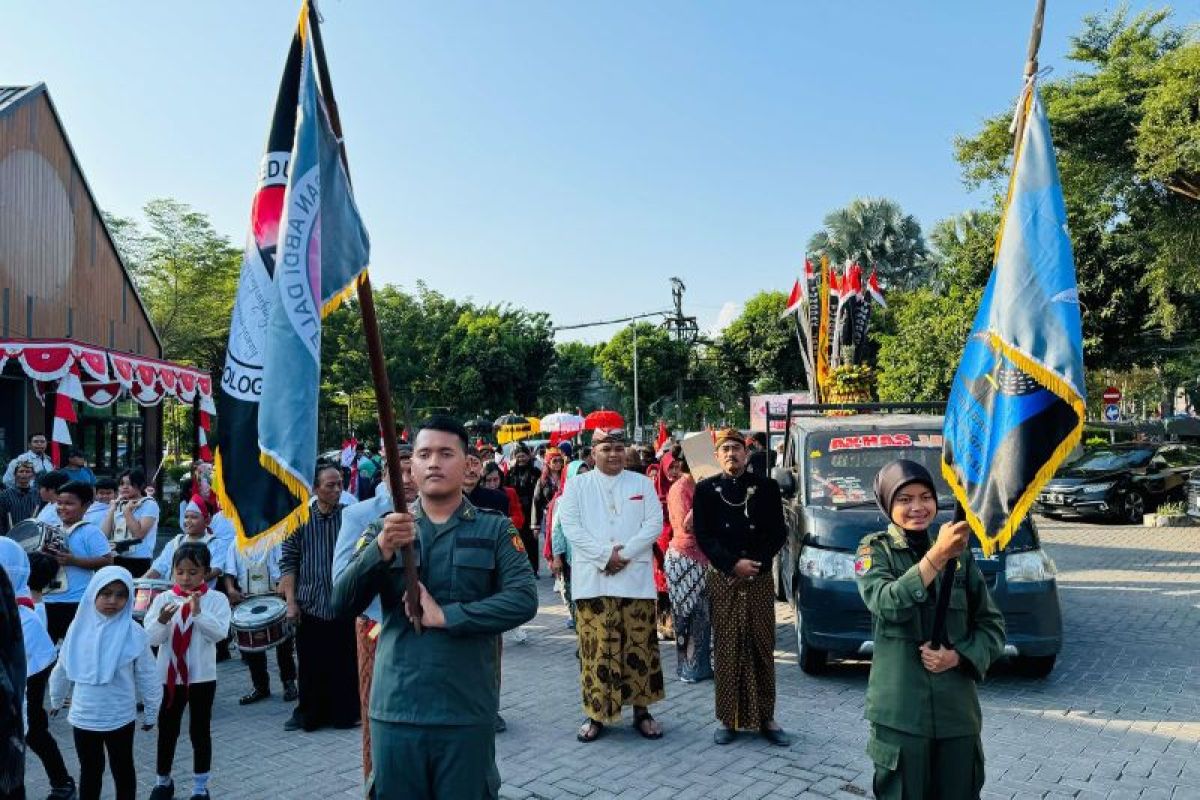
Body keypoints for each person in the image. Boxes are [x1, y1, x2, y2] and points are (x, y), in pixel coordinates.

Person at [332, 415, 538, 799]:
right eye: (424, 454)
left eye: (446, 453)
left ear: (468, 465)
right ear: (410, 466)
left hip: (466, 707)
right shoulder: (384, 529)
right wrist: (380, 552)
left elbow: (524, 599)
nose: (433, 463)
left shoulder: (495, 529)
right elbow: (340, 603)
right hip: (397, 707)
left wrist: (448, 616)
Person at [856, 460, 1005, 799]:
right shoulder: (873, 550)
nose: (917, 507)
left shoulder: (960, 555)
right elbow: (886, 602)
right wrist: (937, 556)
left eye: (925, 496)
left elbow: (991, 627)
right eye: (904, 499)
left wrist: (958, 656)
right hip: (901, 716)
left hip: (957, 715)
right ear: (886, 503)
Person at [557, 428, 666, 743]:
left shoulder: (641, 483)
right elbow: (571, 527)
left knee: (640, 648)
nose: (614, 454)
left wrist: (626, 554)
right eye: (606, 448)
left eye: (619, 448)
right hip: (594, 581)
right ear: (593, 453)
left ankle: (642, 713)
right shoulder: (577, 486)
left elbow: (654, 524)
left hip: (635, 581)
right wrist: (605, 556)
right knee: (596, 651)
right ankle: (595, 715)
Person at [694, 428, 790, 746]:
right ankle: (727, 718)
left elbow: (778, 532)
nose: (731, 454)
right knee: (727, 647)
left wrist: (755, 564)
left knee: (762, 645)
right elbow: (704, 536)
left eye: (736, 448)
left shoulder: (766, 487)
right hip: (723, 578)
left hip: (759, 577)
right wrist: (731, 564)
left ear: (746, 454)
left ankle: (767, 717)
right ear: (717, 456)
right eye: (725, 450)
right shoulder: (707, 490)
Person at [49, 566, 160, 800]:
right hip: (84, 716)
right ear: (93, 594)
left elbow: (148, 675)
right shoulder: (78, 628)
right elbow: (62, 667)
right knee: (90, 771)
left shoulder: (134, 632)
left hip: (120, 716)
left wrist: (152, 711)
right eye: (106, 593)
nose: (113, 600)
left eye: (121, 595)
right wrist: (56, 700)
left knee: (123, 770)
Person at [144, 544, 230, 800]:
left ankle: (200, 787)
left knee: (199, 730)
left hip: (202, 675)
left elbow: (219, 634)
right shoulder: (162, 599)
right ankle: (163, 781)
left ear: (205, 572)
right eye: (179, 572)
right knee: (167, 728)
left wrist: (199, 614)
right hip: (169, 676)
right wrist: (160, 620)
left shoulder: (216, 599)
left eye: (193, 572)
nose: (185, 578)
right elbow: (151, 639)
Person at [279, 465, 358, 733]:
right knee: (311, 664)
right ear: (314, 488)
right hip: (309, 603)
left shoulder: (351, 517)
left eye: (340, 484)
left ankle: (345, 713)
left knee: (344, 663)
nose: (337, 490)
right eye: (330, 485)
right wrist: (291, 602)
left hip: (343, 603)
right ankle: (308, 713)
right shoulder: (298, 519)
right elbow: (288, 563)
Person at [0, 538, 72, 799]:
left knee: (36, 736)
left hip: (19, 706)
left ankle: (62, 782)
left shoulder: (24, 615)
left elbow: (29, 671)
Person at [223, 544, 297, 705]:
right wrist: (230, 589)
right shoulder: (235, 544)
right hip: (248, 599)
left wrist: (283, 586)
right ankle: (261, 687)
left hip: (276, 597)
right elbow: (229, 573)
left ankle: (289, 683)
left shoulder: (274, 540)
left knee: (284, 645)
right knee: (252, 647)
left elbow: (285, 566)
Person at [43, 481, 114, 643]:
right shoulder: (51, 529)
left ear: (86, 505)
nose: (62, 508)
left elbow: (108, 560)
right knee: (49, 646)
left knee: (74, 643)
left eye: (69, 504)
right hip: (48, 598)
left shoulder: (90, 531)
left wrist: (74, 561)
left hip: (76, 600)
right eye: (59, 503)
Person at [665, 452, 712, 683]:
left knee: (701, 615)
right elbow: (687, 525)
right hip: (685, 557)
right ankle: (689, 667)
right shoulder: (681, 488)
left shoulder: (696, 485)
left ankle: (699, 666)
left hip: (700, 557)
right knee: (688, 615)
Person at [143, 499, 227, 591]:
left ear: (207, 521)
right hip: (170, 595)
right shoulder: (175, 542)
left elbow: (215, 570)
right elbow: (158, 567)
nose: (188, 521)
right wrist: (140, 583)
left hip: (202, 598)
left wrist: (183, 586)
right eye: (186, 517)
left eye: (193, 517)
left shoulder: (216, 544)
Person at [548, 460, 589, 629]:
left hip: (592, 557)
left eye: (587, 474)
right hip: (571, 558)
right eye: (579, 475)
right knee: (573, 596)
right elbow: (557, 530)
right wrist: (557, 557)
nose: (584, 479)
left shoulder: (597, 499)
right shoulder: (563, 501)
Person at [100, 468, 160, 577]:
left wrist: (127, 512)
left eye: (130, 483)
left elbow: (139, 534)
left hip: (138, 559)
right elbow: (104, 535)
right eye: (121, 484)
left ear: (140, 485)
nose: (124, 487)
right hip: (116, 557)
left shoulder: (149, 504)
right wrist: (112, 509)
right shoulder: (118, 504)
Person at [650, 450, 681, 640]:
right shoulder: (654, 490)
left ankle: (676, 623)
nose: (674, 471)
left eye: (678, 467)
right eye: (671, 467)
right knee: (662, 585)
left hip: (680, 541)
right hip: (661, 543)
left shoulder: (685, 487)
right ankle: (662, 623)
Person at [504, 444, 539, 575]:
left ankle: (533, 568)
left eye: (523, 456)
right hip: (516, 509)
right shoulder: (511, 472)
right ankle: (519, 567)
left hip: (531, 509)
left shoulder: (535, 472)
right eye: (518, 457)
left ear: (528, 456)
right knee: (517, 539)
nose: (521, 459)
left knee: (531, 540)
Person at [532, 448, 566, 564]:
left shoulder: (566, 478)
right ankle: (554, 562)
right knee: (551, 539)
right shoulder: (543, 481)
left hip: (565, 514)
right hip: (549, 516)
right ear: (548, 462)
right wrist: (535, 525)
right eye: (554, 461)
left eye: (560, 461)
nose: (558, 464)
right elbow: (536, 501)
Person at [0, 460, 38, 536]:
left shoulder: (37, 495)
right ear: (15, 474)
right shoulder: (5, 495)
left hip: (32, 538)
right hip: (10, 536)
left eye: (27, 472)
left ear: (33, 475)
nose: (24, 474)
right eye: (21, 471)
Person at [482, 463, 524, 531]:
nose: (492, 484)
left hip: (509, 528)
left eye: (495, 479)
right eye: (488, 480)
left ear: (500, 478)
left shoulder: (510, 492)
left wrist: (505, 521)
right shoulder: (479, 495)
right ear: (483, 481)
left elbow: (519, 518)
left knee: (518, 542)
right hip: (487, 533)